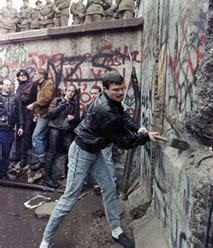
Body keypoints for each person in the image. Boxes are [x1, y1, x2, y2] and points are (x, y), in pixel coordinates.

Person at [40, 71, 159, 248]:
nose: (120, 92)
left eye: (122, 89)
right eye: (116, 89)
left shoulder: (112, 101)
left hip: (95, 150)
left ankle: (116, 230)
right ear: (105, 89)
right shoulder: (105, 110)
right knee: (69, 199)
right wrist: (145, 137)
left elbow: (123, 116)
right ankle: (46, 241)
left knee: (109, 188)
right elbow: (124, 141)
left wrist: (138, 127)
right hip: (82, 152)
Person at [43, 85, 80, 188]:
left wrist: (73, 118)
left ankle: (69, 179)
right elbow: (50, 114)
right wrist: (61, 106)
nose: (71, 93)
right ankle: (47, 178)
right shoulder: (57, 100)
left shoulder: (74, 104)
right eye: (69, 90)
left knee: (71, 153)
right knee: (51, 152)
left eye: (73, 91)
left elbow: (78, 118)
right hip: (55, 129)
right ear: (65, 91)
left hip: (67, 131)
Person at [28, 69, 55, 171]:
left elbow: (46, 99)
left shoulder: (49, 84)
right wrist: (36, 113)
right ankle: (39, 159)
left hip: (46, 115)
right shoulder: (40, 85)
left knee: (36, 136)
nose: (34, 75)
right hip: (41, 114)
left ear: (42, 75)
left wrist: (33, 105)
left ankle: (42, 160)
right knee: (40, 137)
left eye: (36, 74)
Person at [0, 79, 24, 179]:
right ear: (2, 86)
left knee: (6, 153)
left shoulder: (15, 98)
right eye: (6, 85)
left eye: (10, 85)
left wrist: (21, 126)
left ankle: (2, 174)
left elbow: (19, 113)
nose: (8, 87)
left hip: (8, 130)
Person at [14, 69, 37, 167]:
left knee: (26, 134)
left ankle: (24, 157)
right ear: (18, 77)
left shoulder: (30, 85)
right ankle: (18, 155)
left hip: (27, 113)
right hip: (19, 113)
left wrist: (19, 99)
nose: (23, 76)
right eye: (21, 75)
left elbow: (27, 98)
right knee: (19, 134)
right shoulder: (19, 87)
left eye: (25, 75)